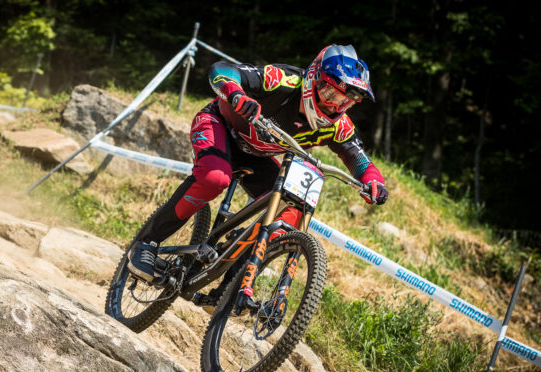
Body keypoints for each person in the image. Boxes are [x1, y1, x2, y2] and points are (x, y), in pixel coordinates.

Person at [128, 44, 388, 306]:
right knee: (215, 179)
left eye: (345, 101)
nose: (334, 106)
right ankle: (147, 243)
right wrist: (237, 94)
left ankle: (229, 289)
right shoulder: (284, 80)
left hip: (256, 155)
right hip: (219, 125)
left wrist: (373, 181)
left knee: (290, 208)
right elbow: (222, 70)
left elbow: (358, 157)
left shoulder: (338, 125)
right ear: (314, 77)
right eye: (330, 93)